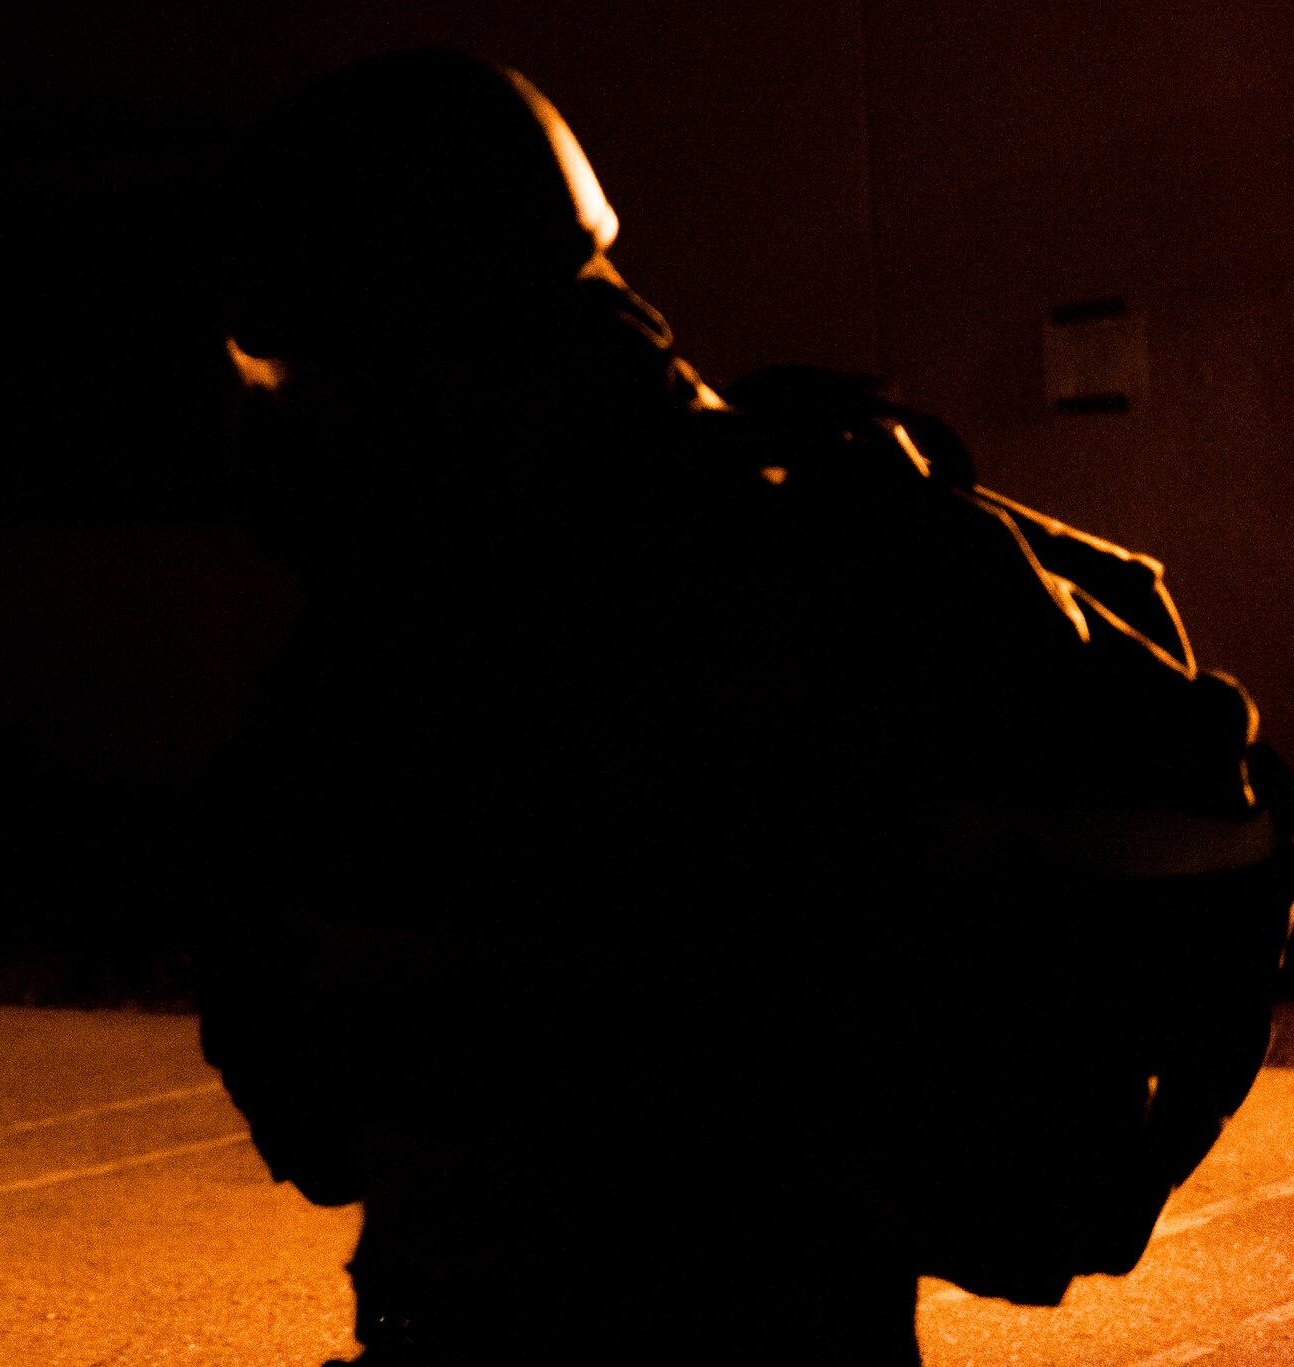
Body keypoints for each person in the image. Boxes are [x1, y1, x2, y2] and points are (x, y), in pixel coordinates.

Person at [193, 50, 1293, 1364]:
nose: (295, 425)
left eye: (309, 374)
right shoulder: (451, 585)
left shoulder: (787, 576)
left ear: (439, 342)